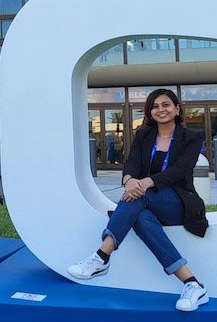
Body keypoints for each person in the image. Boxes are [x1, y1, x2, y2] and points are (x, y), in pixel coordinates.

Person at [67, 89, 209, 312]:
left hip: (179, 202)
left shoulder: (191, 137)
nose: (160, 110)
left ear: (177, 109)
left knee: (139, 197)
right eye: (155, 106)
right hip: (146, 201)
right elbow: (131, 162)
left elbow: (181, 170)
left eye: (166, 105)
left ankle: (102, 256)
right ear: (150, 112)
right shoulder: (144, 135)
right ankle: (192, 284)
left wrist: (144, 184)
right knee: (141, 217)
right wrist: (129, 179)